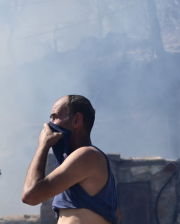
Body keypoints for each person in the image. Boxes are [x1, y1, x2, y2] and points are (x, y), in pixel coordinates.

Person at [22, 95, 120, 224]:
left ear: (76, 120)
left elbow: (31, 195)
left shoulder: (87, 155)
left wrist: (43, 145)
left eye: (55, 117)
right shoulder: (76, 165)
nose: (49, 125)